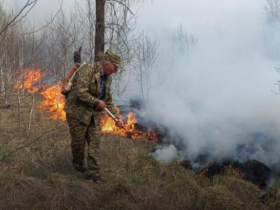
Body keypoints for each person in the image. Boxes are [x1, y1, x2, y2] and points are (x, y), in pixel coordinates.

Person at [64, 49, 124, 183]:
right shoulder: (89, 69)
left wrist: (116, 118)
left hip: (93, 116)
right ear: (107, 64)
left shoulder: (107, 78)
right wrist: (97, 102)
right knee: (78, 144)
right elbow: (80, 92)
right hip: (77, 113)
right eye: (115, 68)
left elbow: (107, 101)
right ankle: (78, 169)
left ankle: (93, 173)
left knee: (95, 143)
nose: (115, 71)